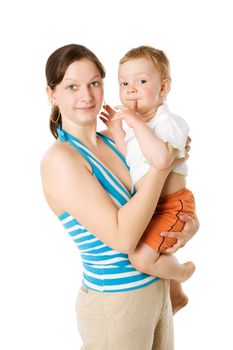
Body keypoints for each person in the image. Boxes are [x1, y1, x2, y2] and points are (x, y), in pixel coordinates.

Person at [41, 44, 199, 350]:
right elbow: (124, 239)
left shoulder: (117, 142)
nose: (86, 96)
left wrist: (188, 226)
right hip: (116, 303)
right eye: (72, 86)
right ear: (52, 94)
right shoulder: (61, 159)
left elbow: (157, 204)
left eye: (94, 83)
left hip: (157, 290)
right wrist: (161, 164)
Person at [100, 45, 196, 313]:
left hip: (171, 204)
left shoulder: (169, 123)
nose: (131, 89)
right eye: (124, 83)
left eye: (141, 81)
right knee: (152, 248)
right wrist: (118, 131)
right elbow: (130, 156)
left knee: (141, 258)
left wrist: (135, 122)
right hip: (150, 205)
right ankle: (176, 294)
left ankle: (182, 274)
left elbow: (161, 160)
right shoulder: (137, 128)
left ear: (164, 88)